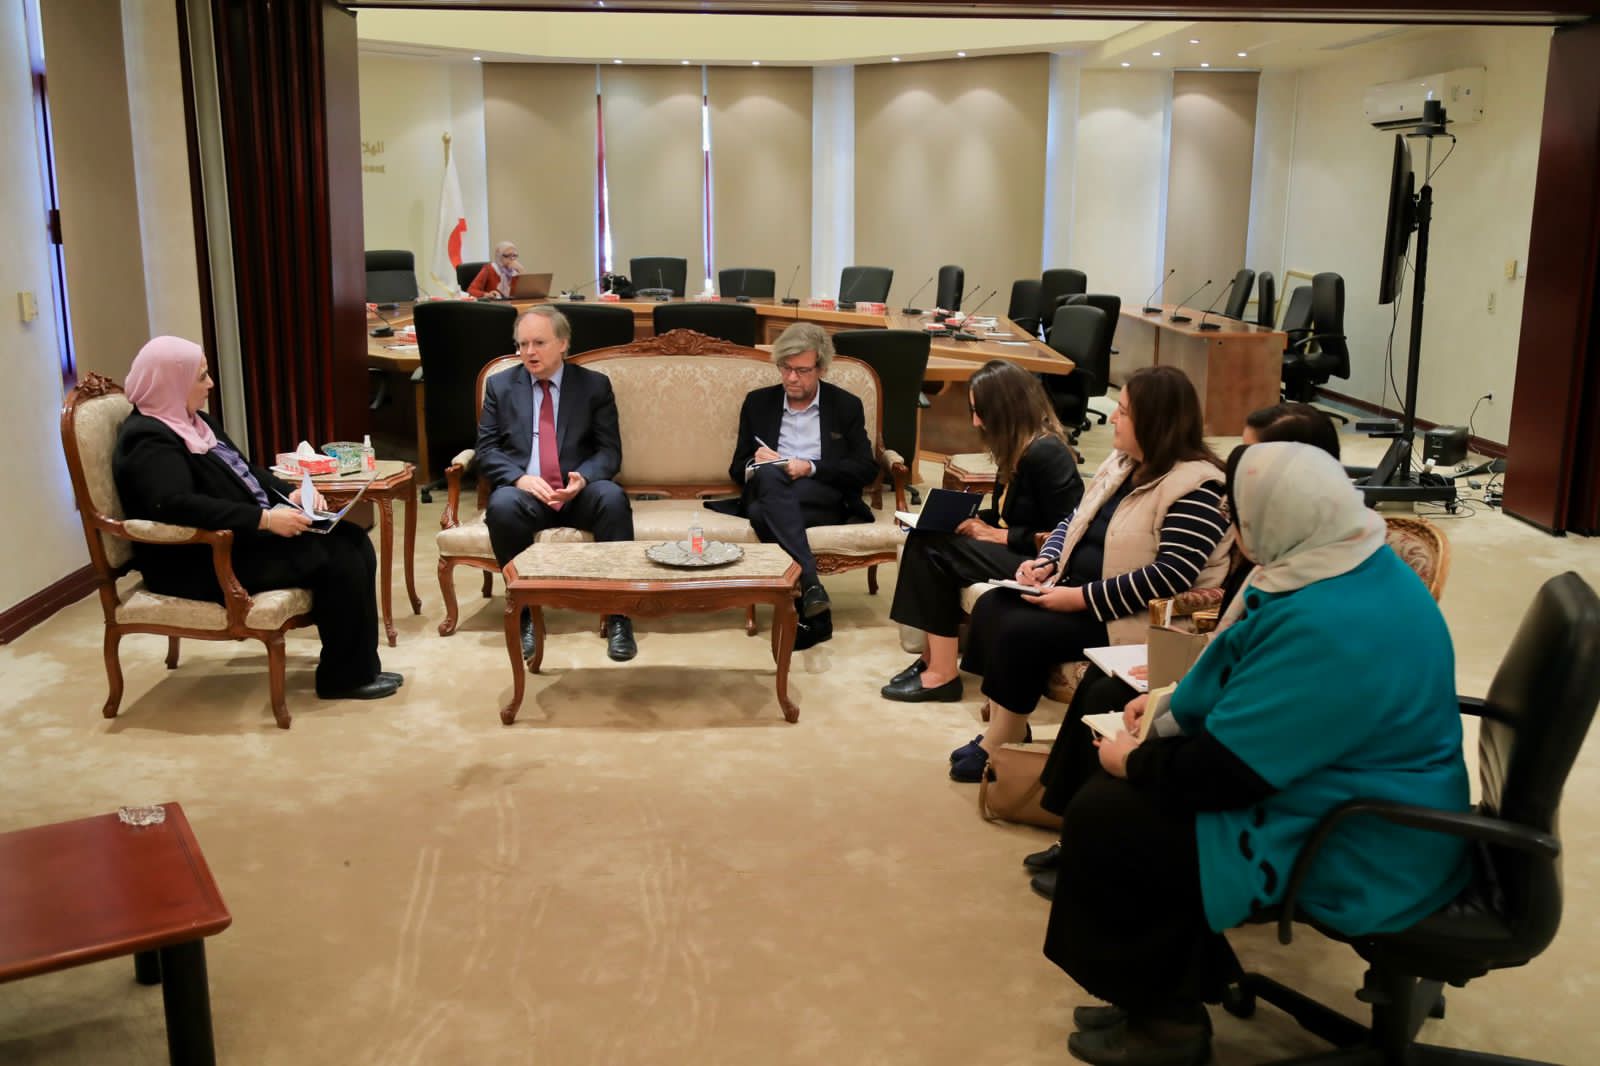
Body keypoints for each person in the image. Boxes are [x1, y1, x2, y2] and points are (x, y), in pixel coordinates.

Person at [1045, 442, 1470, 1066]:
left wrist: (1131, 760)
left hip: (1371, 833)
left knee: (1119, 817)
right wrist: (1166, 710)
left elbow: (1225, 776)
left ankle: (1167, 1027)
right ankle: (1162, 987)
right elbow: (1251, 669)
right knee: (1126, 797)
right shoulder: (1345, 560)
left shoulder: (1333, 622)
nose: (1232, 529)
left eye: (1237, 514)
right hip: (1362, 788)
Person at [1025, 400, 1344, 899]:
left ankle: (1097, 843)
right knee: (1105, 688)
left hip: (1305, 786)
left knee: (1118, 748)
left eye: (1250, 462)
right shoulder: (1290, 546)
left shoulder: (1321, 586)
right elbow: (1237, 635)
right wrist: (1175, 695)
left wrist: (1142, 750)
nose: (1232, 484)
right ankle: (1077, 833)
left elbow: (1257, 721)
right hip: (1227, 682)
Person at [948, 366, 1234, 782]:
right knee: (995, 604)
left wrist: (1080, 599)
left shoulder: (1199, 487)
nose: (1112, 417)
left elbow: (1171, 575)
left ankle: (1000, 740)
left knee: (1020, 630)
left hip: (1130, 616)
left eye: (1123, 411)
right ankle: (1009, 728)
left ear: (1155, 421)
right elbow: (1074, 519)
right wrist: (1047, 561)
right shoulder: (1124, 463)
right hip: (1080, 593)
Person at [113, 336, 400, 700]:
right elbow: (175, 504)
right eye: (201, 377)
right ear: (172, 382)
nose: (210, 384)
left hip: (239, 538)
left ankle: (360, 667)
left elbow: (246, 471)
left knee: (354, 539)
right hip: (198, 558)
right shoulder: (147, 439)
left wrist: (290, 494)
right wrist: (264, 519)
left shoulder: (195, 422)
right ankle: (343, 678)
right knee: (339, 558)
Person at [881, 360, 1083, 702]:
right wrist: (960, 517)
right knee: (926, 534)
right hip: (1020, 551)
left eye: (981, 412)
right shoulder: (1016, 447)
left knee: (934, 548)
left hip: (1043, 566)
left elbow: (1068, 533)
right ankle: (932, 659)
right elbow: (1007, 513)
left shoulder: (1048, 453)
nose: (976, 421)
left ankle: (942, 674)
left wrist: (1000, 536)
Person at [479, 306, 637, 661]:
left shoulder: (593, 386)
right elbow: (486, 451)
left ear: (563, 344)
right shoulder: (501, 386)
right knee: (501, 506)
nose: (529, 352)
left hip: (578, 492)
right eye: (522, 344)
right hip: (527, 494)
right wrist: (519, 478)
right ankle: (524, 612)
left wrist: (585, 477)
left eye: (539, 343)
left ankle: (619, 613)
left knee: (612, 498)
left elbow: (610, 451)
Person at [708, 322, 877, 649]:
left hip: (822, 495)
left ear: (822, 369)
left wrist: (809, 467)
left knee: (762, 511)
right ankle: (812, 593)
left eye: (801, 370)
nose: (791, 378)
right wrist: (756, 462)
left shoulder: (845, 405)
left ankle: (811, 600)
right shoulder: (758, 403)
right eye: (785, 368)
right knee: (769, 476)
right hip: (773, 491)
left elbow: (865, 468)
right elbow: (737, 468)